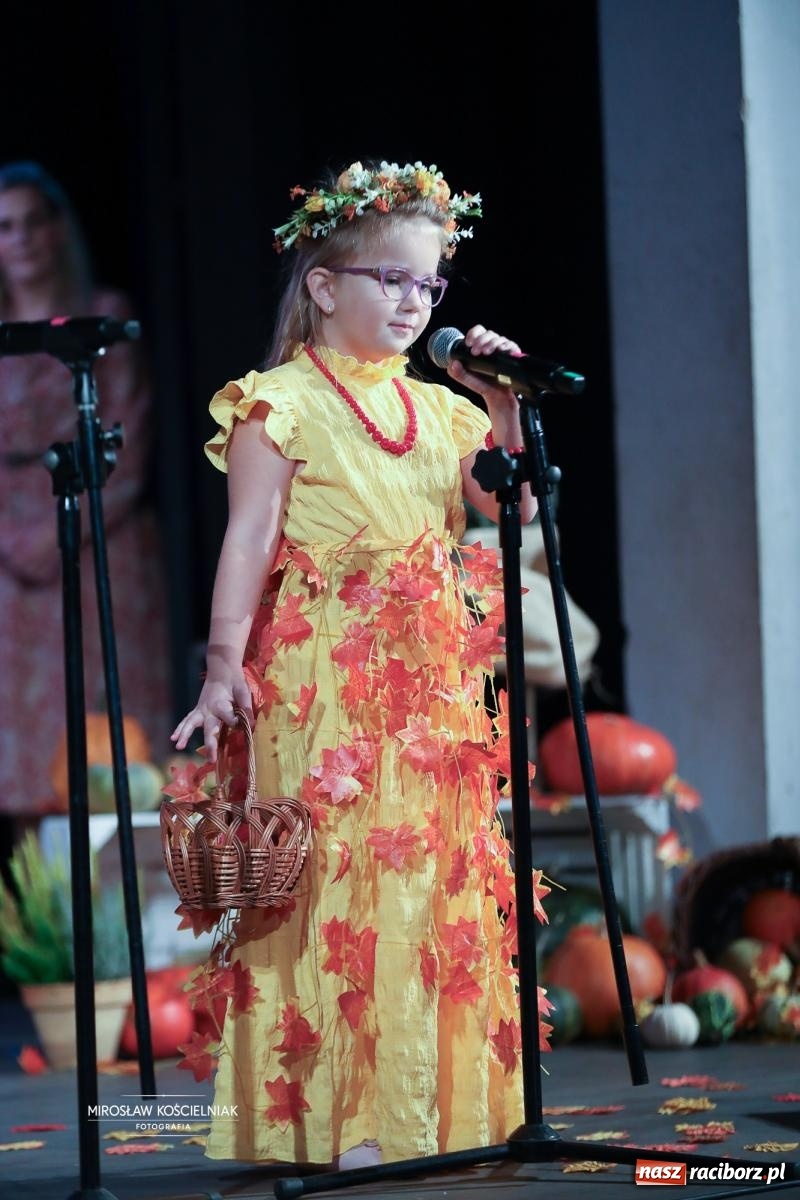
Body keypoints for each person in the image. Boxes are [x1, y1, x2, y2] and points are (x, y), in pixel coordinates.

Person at [172, 160, 548, 1170]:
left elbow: (505, 508)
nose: (413, 301)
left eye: (428, 285)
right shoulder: (277, 402)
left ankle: (432, 1111)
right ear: (325, 285)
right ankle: (347, 1121)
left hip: (428, 686)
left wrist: (500, 402)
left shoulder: (445, 410)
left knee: (427, 881)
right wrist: (220, 666)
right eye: (390, 279)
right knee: (340, 879)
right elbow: (247, 539)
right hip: (327, 682)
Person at [0, 161, 171, 817]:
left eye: (32, 223)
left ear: (55, 228)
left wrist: (58, 531)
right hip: (10, 561)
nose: (21, 240)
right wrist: (17, 539)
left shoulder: (103, 317)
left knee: (107, 736)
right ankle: (38, 914)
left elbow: (127, 439)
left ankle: (107, 909)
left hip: (99, 538)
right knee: (22, 746)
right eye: (4, 227)